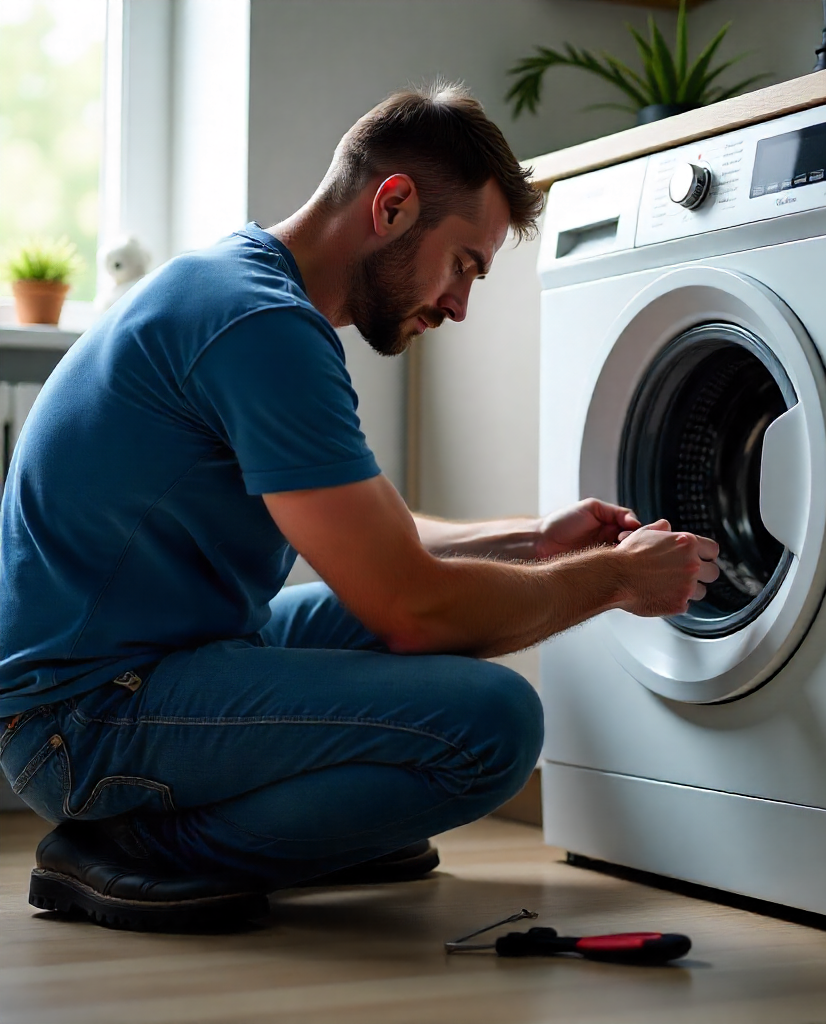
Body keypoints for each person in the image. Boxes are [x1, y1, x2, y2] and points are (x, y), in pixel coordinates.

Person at [0, 83, 719, 932]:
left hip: (165, 656)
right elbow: (411, 608)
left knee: (363, 622)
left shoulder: (248, 287)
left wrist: (533, 540)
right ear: (394, 204)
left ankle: (312, 828)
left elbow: (387, 537)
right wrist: (610, 582)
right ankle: (135, 849)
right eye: (464, 264)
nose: (459, 303)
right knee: (493, 722)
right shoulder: (260, 326)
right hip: (85, 717)